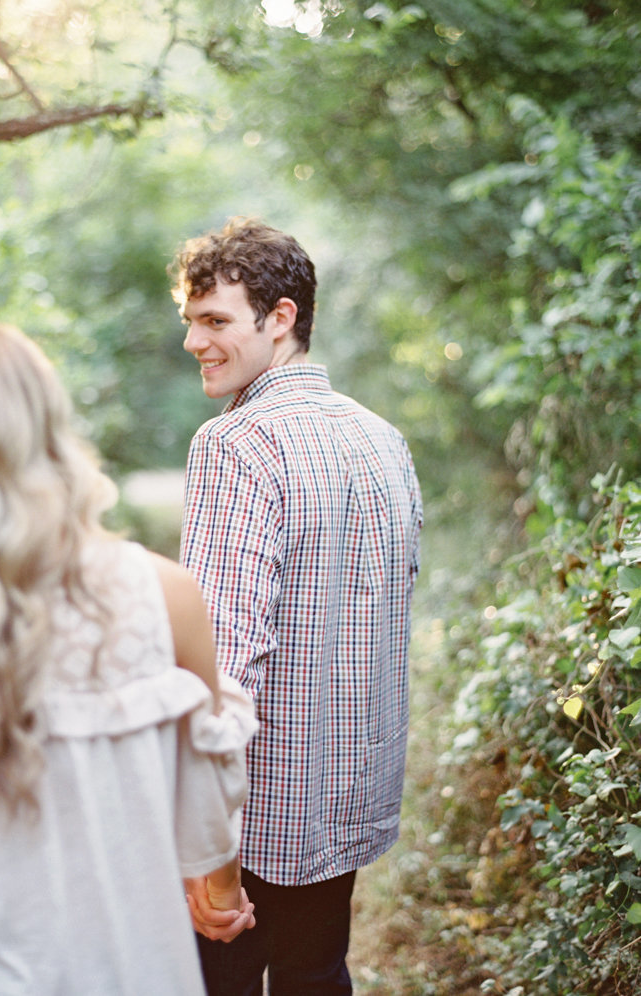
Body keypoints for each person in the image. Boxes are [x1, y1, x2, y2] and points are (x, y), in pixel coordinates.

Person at [0, 315, 258, 995]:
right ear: (50, 433)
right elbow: (208, 822)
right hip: (121, 967)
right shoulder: (163, 595)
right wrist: (221, 893)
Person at [170, 217, 424, 995]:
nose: (194, 342)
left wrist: (202, 852)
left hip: (253, 824)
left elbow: (219, 662)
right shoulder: (384, 440)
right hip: (346, 803)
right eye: (189, 321)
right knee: (318, 975)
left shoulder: (236, 444)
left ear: (280, 319)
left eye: (215, 320)